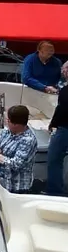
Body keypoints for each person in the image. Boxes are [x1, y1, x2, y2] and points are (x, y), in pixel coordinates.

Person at [0, 105, 40, 194]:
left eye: (8, 121)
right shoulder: (6, 131)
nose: (7, 122)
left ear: (16, 124)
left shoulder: (28, 140)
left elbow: (16, 164)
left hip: (16, 187)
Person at [47, 64, 68, 197]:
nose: (64, 71)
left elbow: (62, 110)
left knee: (54, 159)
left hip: (65, 128)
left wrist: (53, 123)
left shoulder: (65, 91)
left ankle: (55, 192)